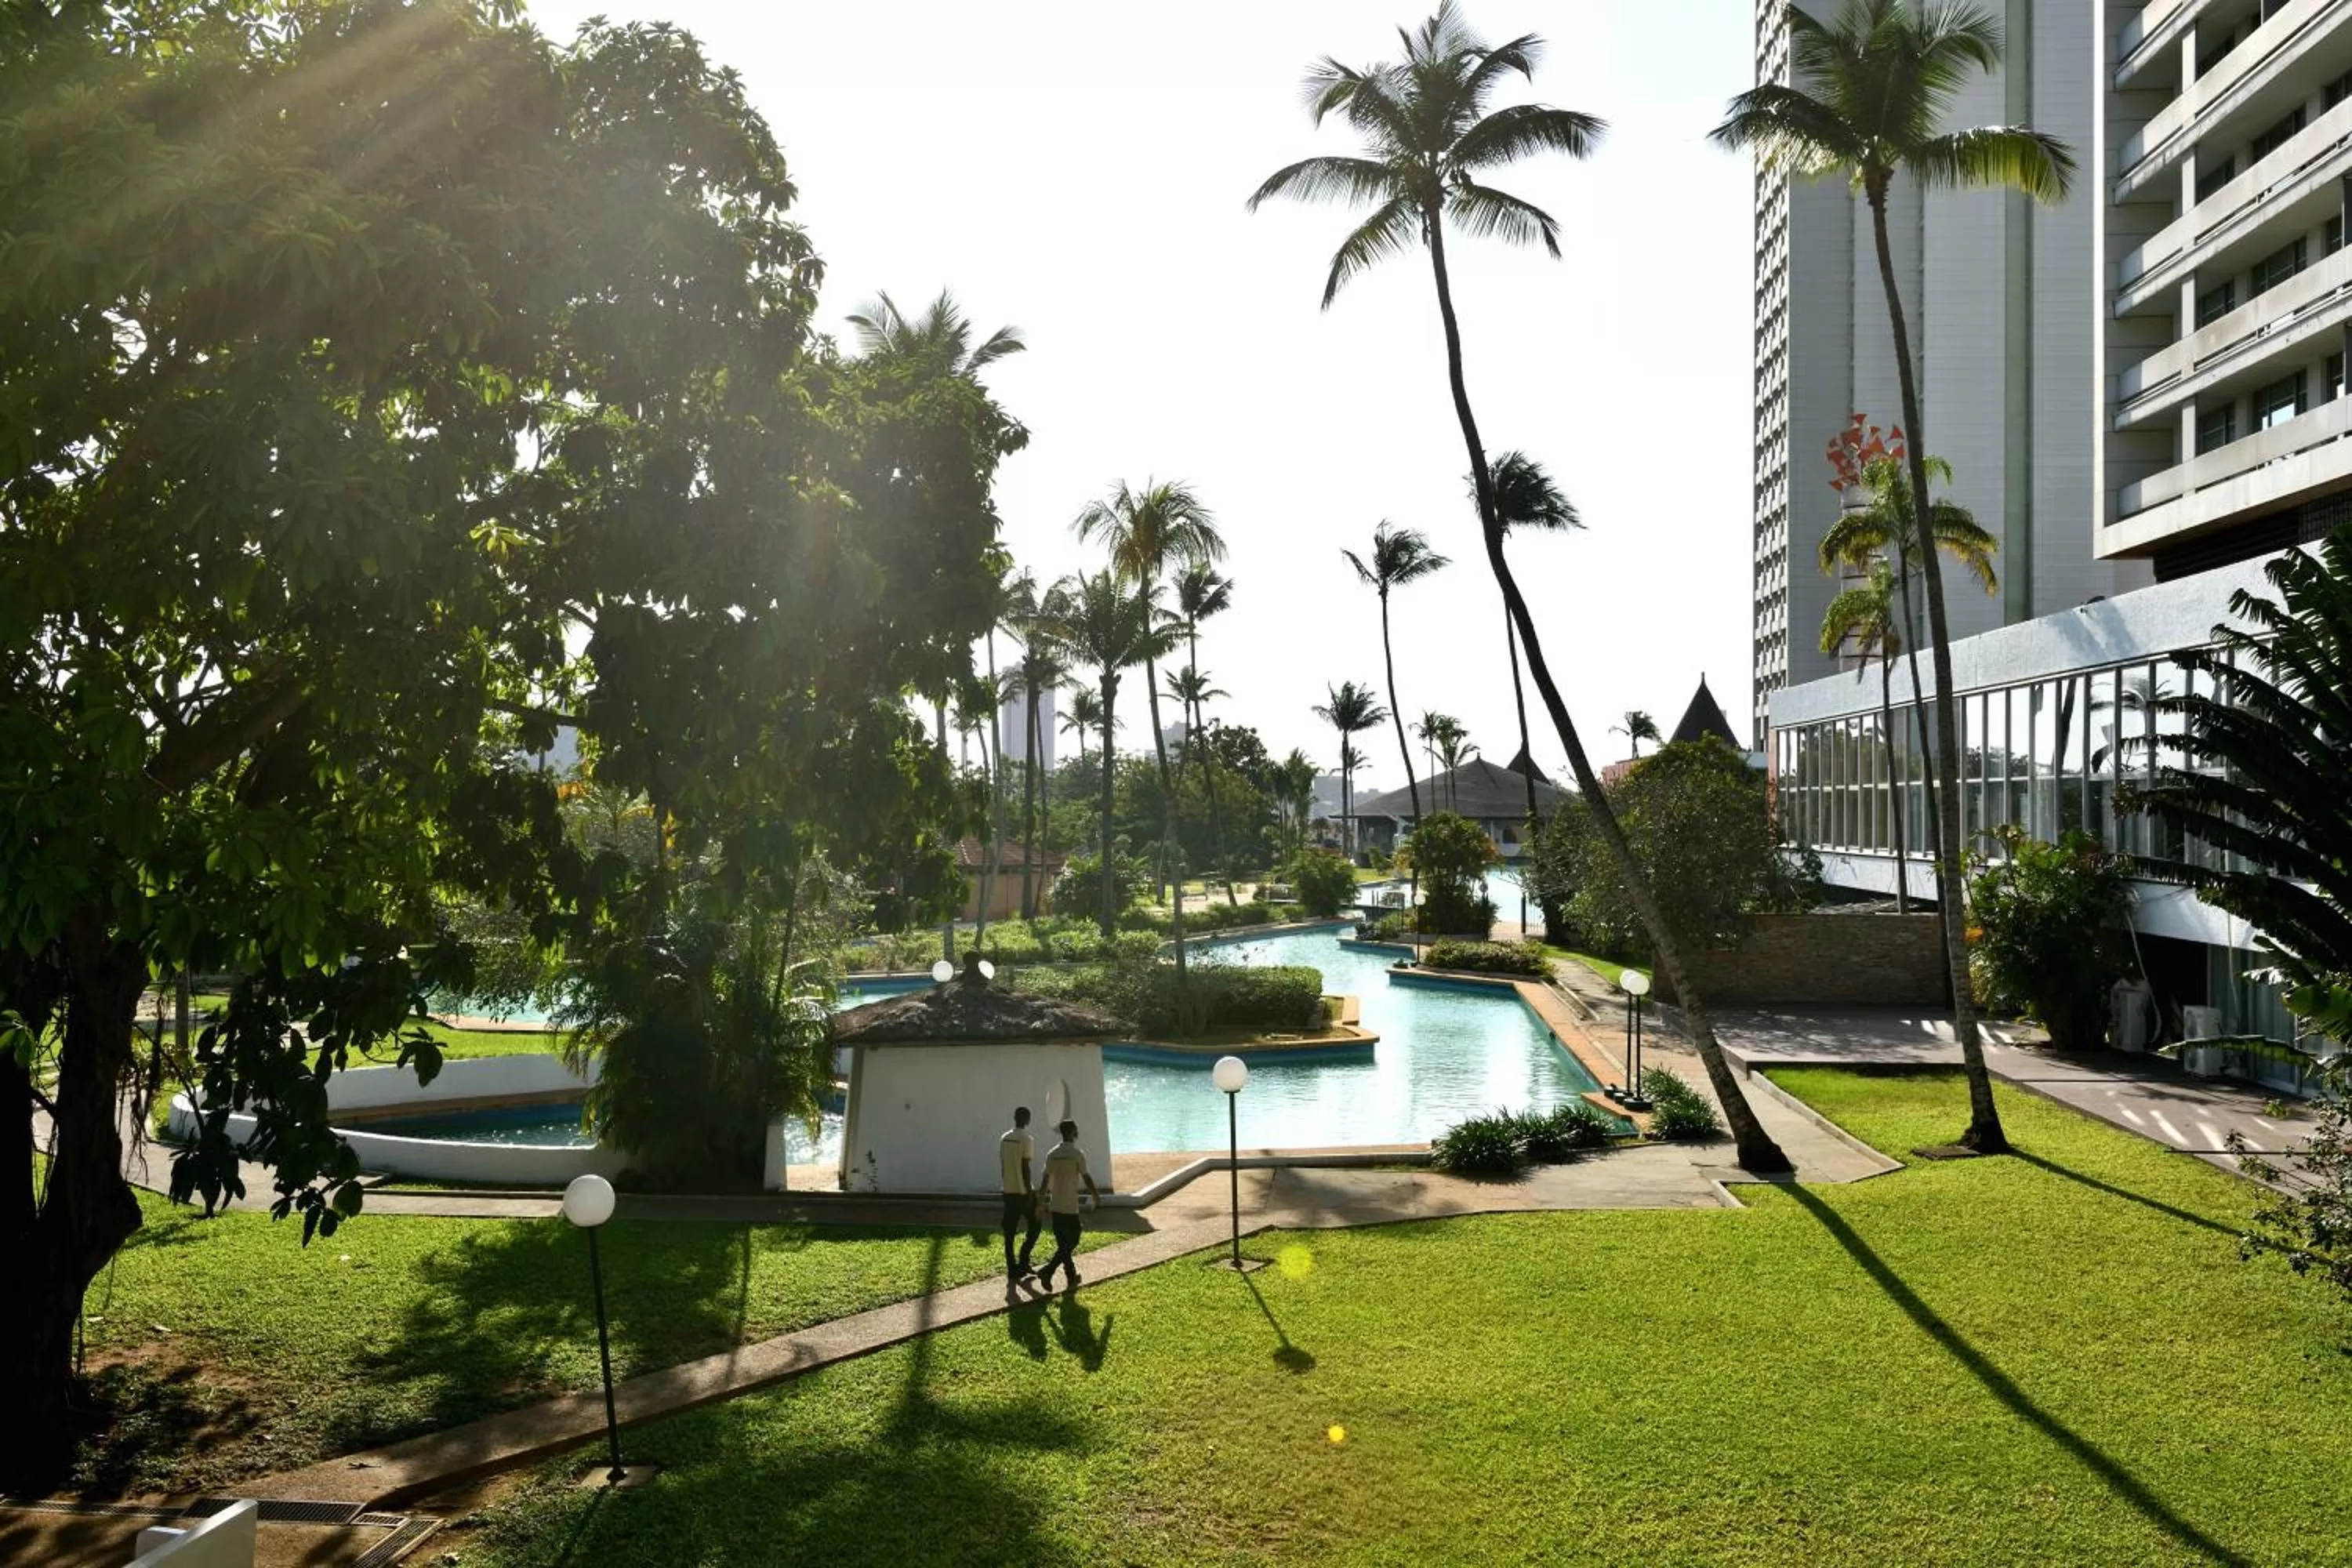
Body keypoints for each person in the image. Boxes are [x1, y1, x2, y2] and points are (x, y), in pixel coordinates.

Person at [1032, 1118, 1100, 1292]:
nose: (1077, 1131)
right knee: (1074, 1239)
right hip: (1070, 1207)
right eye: (1076, 1129)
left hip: (1056, 1207)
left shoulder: (1052, 1154)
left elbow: (1045, 1181)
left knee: (1064, 1244)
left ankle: (1071, 1277)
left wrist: (1040, 1204)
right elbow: (1086, 1177)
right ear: (1071, 1132)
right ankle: (1049, 1270)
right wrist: (1095, 1195)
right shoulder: (1077, 1154)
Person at [999, 1105, 1040, 1281]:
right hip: (1022, 1192)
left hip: (1008, 1191)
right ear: (1027, 1120)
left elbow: (1003, 1165)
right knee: (1036, 1224)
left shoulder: (1004, 1138)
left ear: (1014, 1118)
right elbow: (1025, 1167)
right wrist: (1030, 1192)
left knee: (1009, 1233)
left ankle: (1012, 1268)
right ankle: (1024, 1259)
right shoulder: (1027, 1139)